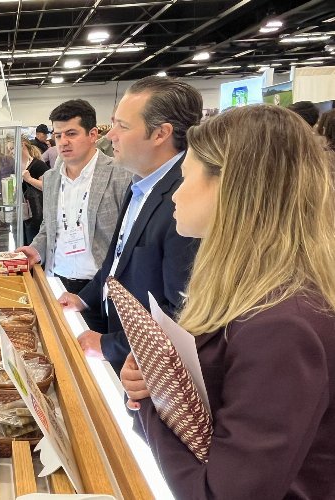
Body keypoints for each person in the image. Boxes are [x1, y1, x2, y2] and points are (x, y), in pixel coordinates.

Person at [121, 104, 335, 499]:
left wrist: (153, 400)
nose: (175, 194)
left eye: (185, 177)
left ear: (232, 187)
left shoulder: (282, 326)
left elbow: (222, 492)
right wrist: (157, 380)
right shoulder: (245, 293)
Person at [59, 77, 201, 374]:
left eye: (122, 126)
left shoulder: (186, 200)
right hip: (120, 337)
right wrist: (84, 298)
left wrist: (110, 346)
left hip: (146, 369)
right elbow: (117, 261)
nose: (111, 136)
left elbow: (183, 317)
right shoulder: (140, 183)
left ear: (160, 133)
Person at [17, 99, 130, 294]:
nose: (63, 142)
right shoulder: (51, 178)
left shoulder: (120, 175)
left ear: (92, 134)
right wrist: (36, 249)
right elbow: (49, 226)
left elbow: (128, 238)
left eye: (71, 134)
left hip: (102, 286)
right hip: (57, 281)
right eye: (58, 135)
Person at [20, 137, 50, 245]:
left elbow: (48, 186)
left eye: (12, 148)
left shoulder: (38, 165)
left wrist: (29, 179)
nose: (11, 152)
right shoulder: (16, 167)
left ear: (22, 145)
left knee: (34, 243)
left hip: (37, 214)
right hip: (24, 215)